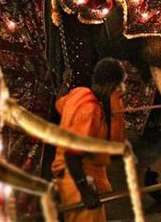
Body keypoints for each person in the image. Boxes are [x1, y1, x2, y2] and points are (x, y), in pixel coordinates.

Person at [51, 58, 127, 222]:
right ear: (111, 86)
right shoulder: (90, 110)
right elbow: (72, 154)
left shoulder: (79, 93)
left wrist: (65, 84)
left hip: (71, 179)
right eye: (117, 86)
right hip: (79, 180)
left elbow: (59, 104)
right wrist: (85, 191)